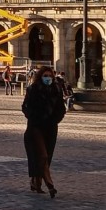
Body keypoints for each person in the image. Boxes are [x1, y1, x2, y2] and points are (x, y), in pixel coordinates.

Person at [21, 66, 66, 197]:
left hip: (51, 127)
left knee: (46, 156)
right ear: (40, 77)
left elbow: (61, 108)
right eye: (46, 76)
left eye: (50, 76)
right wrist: (32, 116)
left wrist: (56, 119)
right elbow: (25, 106)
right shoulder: (32, 89)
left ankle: (36, 181)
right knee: (42, 155)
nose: (48, 78)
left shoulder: (56, 90)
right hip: (35, 127)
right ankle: (49, 184)